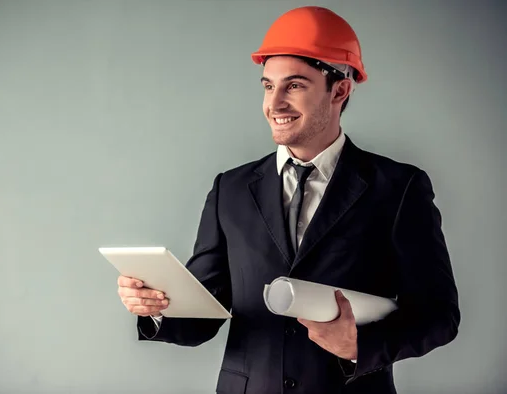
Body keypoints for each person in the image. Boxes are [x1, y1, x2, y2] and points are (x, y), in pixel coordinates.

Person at [116, 6, 460, 394]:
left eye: (294, 85)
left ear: (340, 89)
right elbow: (204, 316)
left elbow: (439, 316)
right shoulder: (229, 189)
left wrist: (362, 346)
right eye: (267, 86)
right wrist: (160, 308)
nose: (274, 103)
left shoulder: (398, 188)